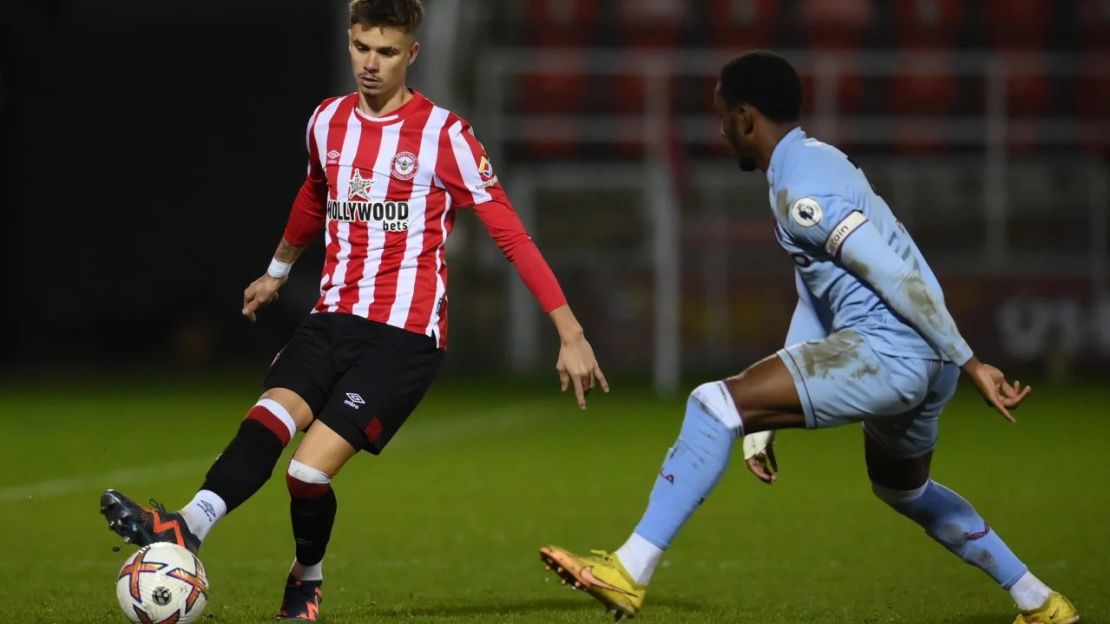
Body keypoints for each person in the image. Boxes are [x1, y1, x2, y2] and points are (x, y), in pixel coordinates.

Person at [100, 1, 608, 621]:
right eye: (363, 48)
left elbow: (511, 234)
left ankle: (306, 575)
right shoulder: (326, 121)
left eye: (387, 52)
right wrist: (277, 272)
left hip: (402, 338)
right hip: (331, 317)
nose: (372, 64)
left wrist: (570, 330)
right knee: (266, 420)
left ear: (411, 55)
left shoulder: (445, 135)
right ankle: (187, 527)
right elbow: (315, 193)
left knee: (308, 477)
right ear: (350, 43)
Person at [539, 51, 1078, 624]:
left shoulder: (802, 194)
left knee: (711, 404)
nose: (720, 130)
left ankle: (628, 571)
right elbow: (814, 298)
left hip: (893, 352)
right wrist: (760, 426)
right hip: (926, 356)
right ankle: (1040, 602)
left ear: (746, 119)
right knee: (905, 492)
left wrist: (974, 362)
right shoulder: (819, 159)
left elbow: (898, 275)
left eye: (722, 116)